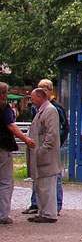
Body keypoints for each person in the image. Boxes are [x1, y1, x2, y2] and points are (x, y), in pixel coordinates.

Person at [25, 79, 66, 215]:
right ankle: (41, 210)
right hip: (41, 152)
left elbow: (53, 133)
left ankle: (50, 212)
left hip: (46, 153)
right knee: (40, 185)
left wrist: (42, 150)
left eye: (33, 98)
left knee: (49, 184)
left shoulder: (51, 110)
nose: (31, 101)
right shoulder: (38, 110)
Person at [1, 83, 35, 225]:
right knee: (5, 181)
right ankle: (2, 214)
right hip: (2, 148)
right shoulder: (3, 108)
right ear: (3, 94)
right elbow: (11, 125)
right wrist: (26, 139)